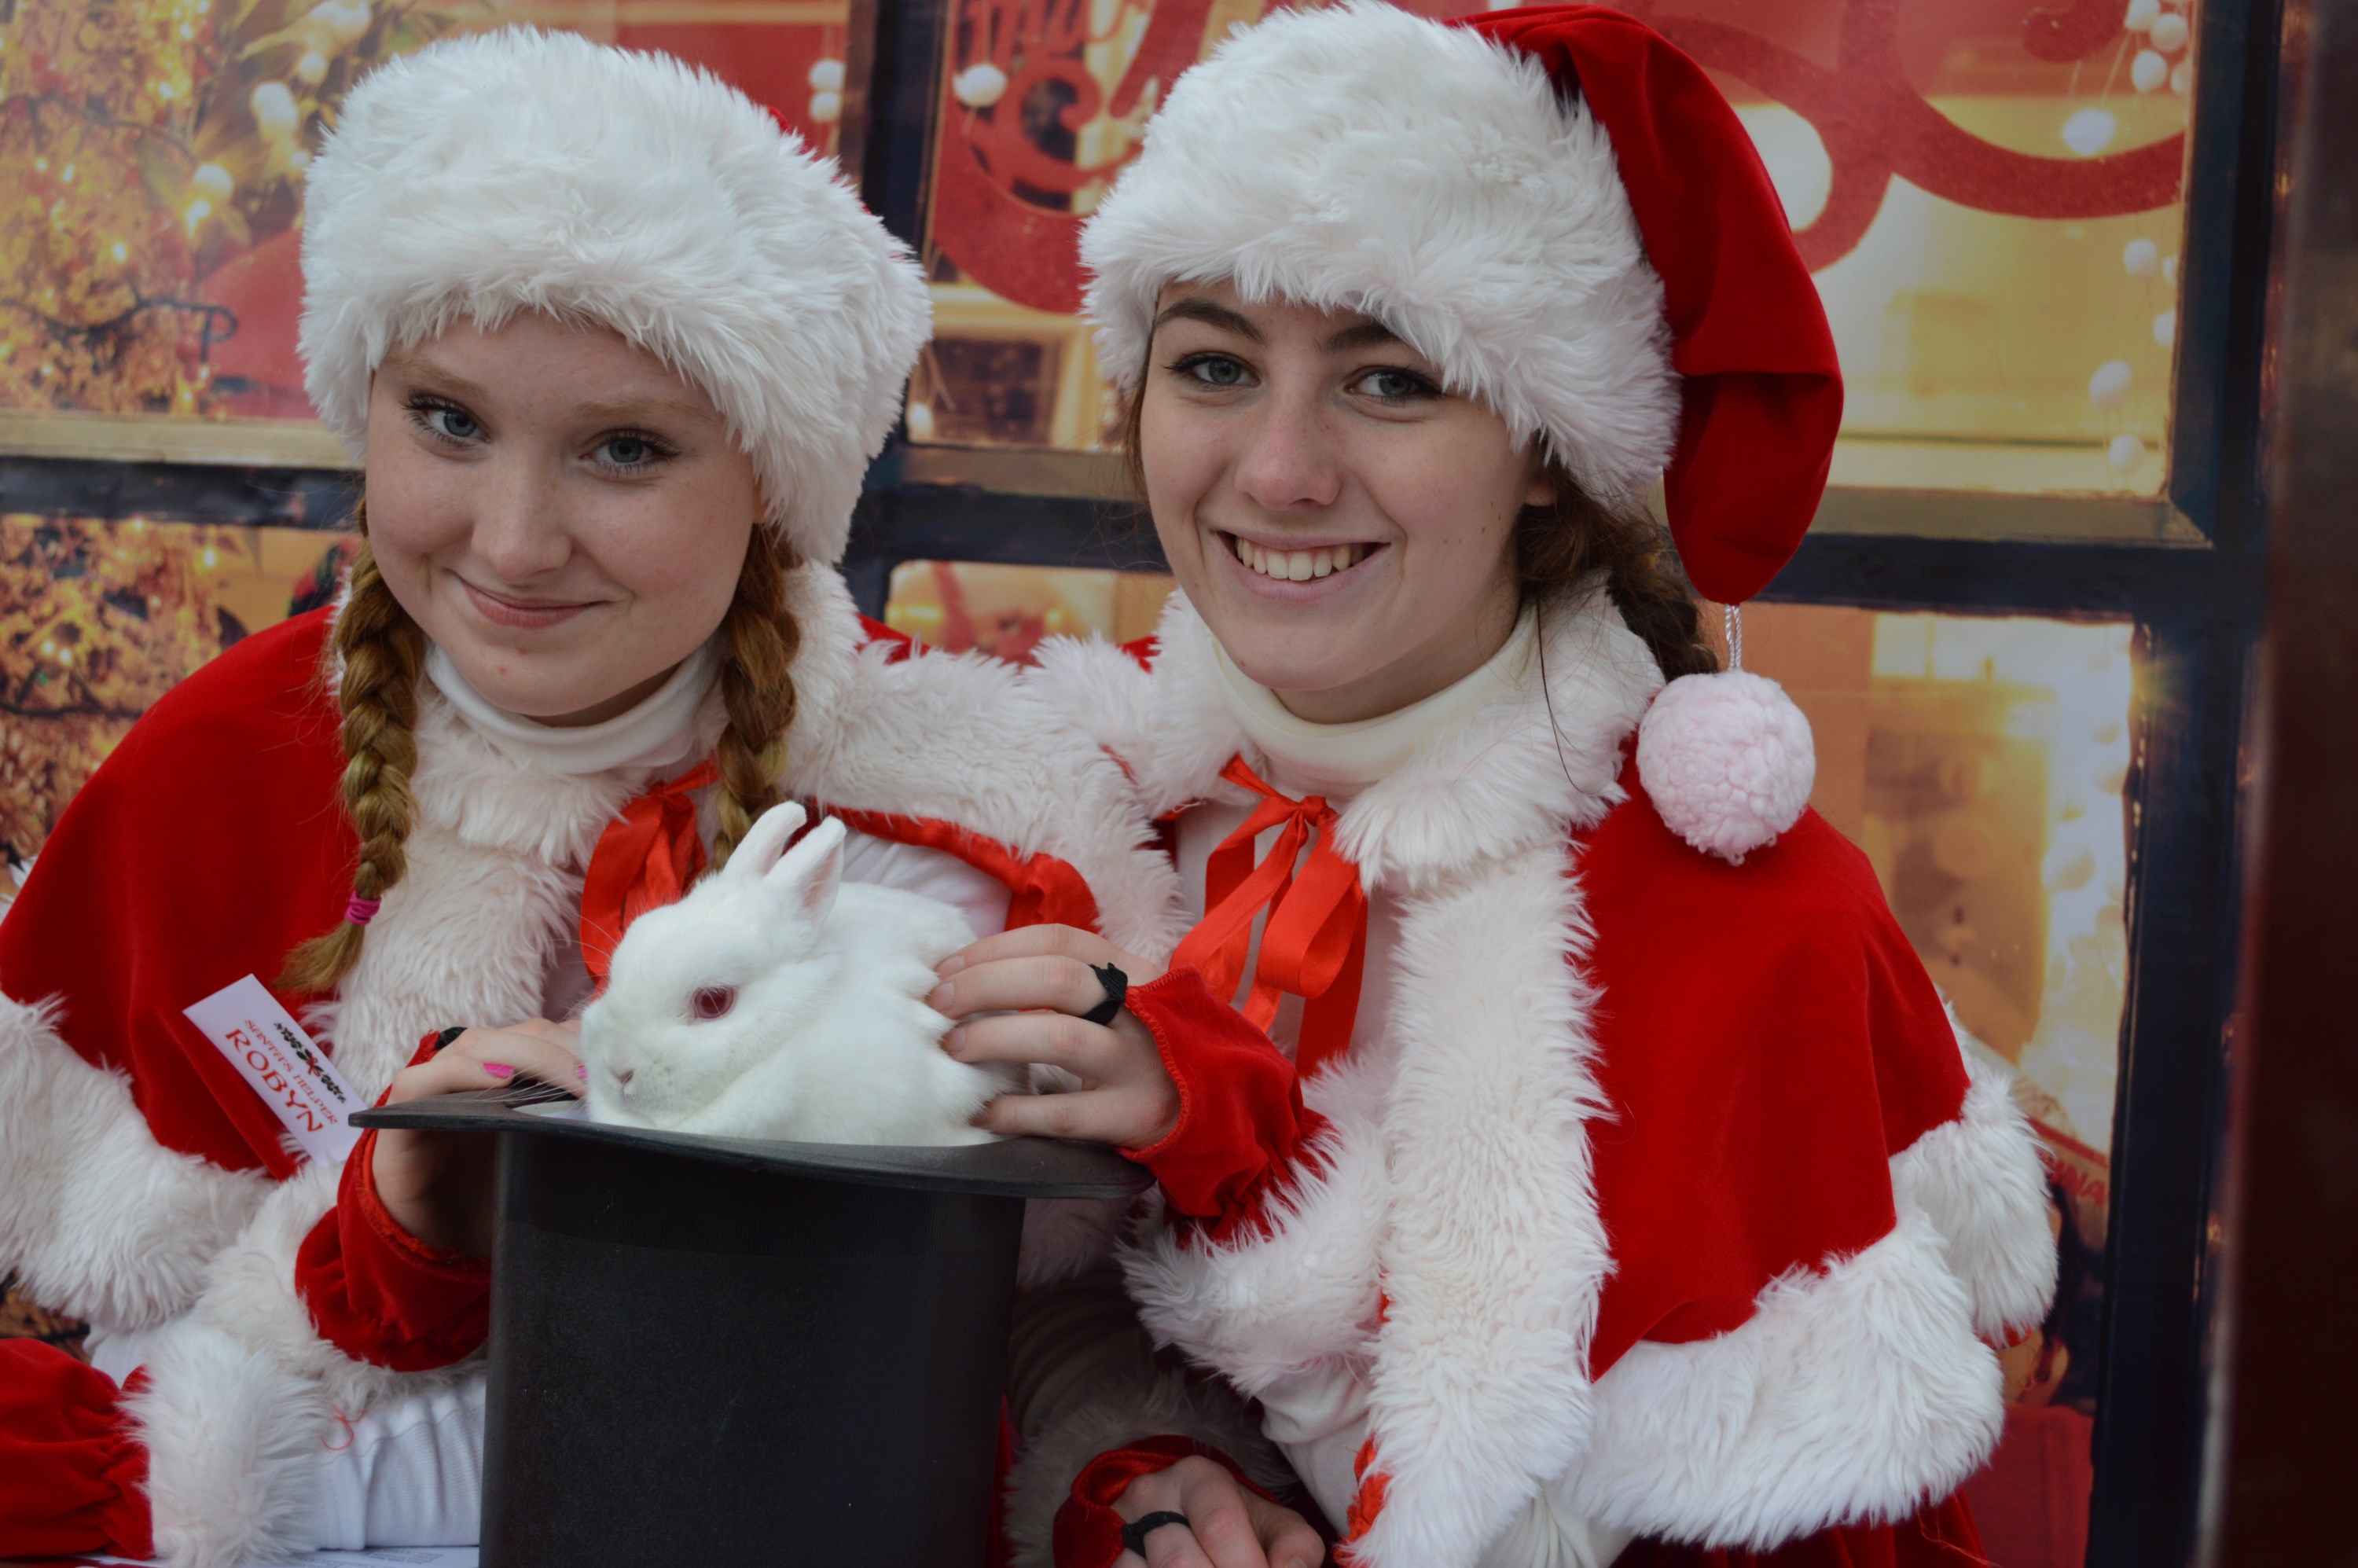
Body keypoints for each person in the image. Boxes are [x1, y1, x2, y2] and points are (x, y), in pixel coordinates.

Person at [0, 30, 1221, 1565]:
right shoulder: (220, 757)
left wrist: (1129, 1474)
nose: (514, 542)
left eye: (625, 448)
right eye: (448, 419)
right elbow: (122, 1317)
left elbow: (1041, 1322)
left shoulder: (969, 809)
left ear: (769, 481)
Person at [929, 6, 2061, 1565]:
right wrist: (1141, 1471)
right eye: (1212, 364)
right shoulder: (1080, 811)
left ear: (1544, 444)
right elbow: (1021, 1314)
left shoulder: (1752, 918)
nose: (1276, 469)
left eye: (1389, 380)